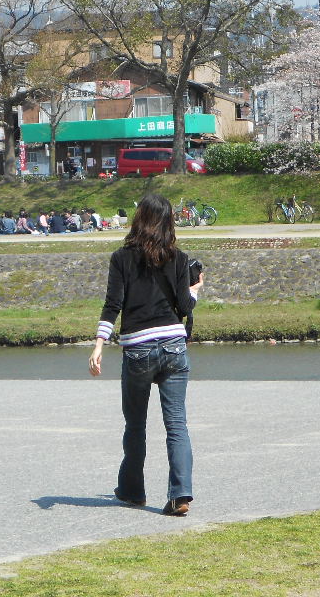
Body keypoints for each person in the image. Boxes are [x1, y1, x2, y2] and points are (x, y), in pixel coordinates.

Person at [88, 193, 204, 517]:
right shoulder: (179, 258)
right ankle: (180, 495)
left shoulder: (121, 258)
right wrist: (195, 290)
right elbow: (184, 306)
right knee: (177, 424)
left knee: (135, 424)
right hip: (174, 346)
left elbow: (113, 304)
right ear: (169, 222)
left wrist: (99, 344)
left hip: (138, 348)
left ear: (138, 219)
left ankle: (132, 490)